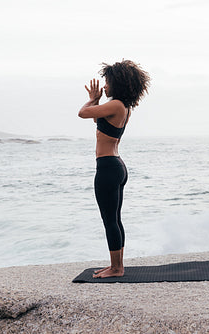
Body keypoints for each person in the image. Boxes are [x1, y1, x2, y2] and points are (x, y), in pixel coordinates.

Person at [78, 60, 150, 278]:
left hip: (108, 167)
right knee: (114, 218)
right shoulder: (122, 107)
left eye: (107, 82)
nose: (104, 86)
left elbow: (82, 113)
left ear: (117, 83)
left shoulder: (117, 104)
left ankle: (116, 268)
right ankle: (117, 265)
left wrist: (92, 99)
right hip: (115, 165)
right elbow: (95, 119)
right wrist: (97, 103)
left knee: (110, 219)